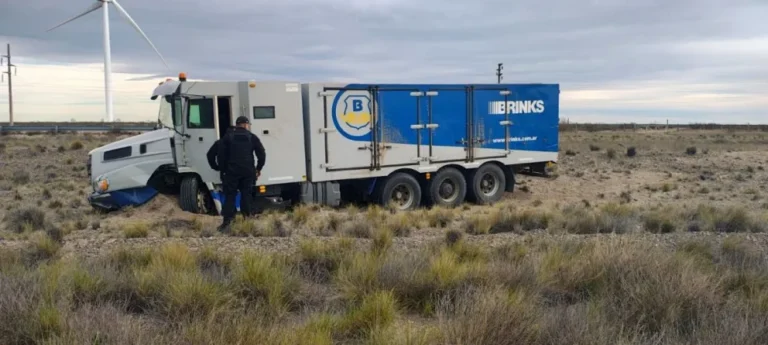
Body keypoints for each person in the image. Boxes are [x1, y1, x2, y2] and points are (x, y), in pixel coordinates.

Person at [216, 115, 266, 232]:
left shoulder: (228, 137)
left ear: (237, 125)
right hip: (248, 172)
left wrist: (223, 170)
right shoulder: (252, 137)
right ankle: (247, 221)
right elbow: (262, 154)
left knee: (230, 196)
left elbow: (220, 155)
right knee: (246, 195)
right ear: (245, 125)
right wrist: (258, 168)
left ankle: (227, 223)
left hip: (231, 172)